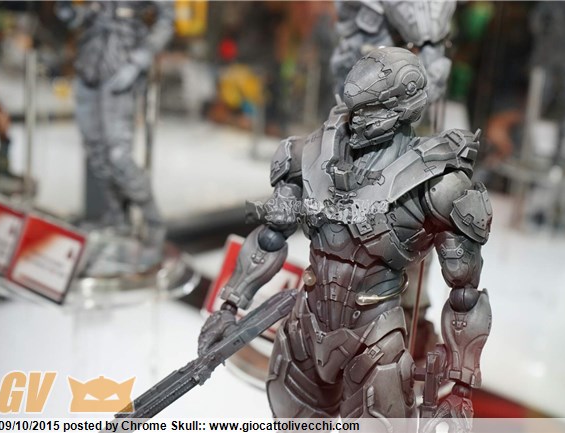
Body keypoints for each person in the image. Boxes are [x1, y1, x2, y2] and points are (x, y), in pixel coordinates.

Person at [199, 47, 492, 426]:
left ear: (403, 107)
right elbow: (271, 236)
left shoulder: (438, 184)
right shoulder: (308, 155)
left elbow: (465, 294)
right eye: (356, 110)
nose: (358, 122)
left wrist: (461, 387)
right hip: (305, 328)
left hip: (375, 337)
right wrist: (228, 307)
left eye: (371, 111)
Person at [55, 1, 174, 243]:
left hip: (121, 62)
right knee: (96, 152)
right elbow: (88, 15)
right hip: (90, 62)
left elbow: (166, 19)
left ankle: (154, 221)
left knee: (118, 155)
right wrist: (70, 12)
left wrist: (139, 60)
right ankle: (117, 218)